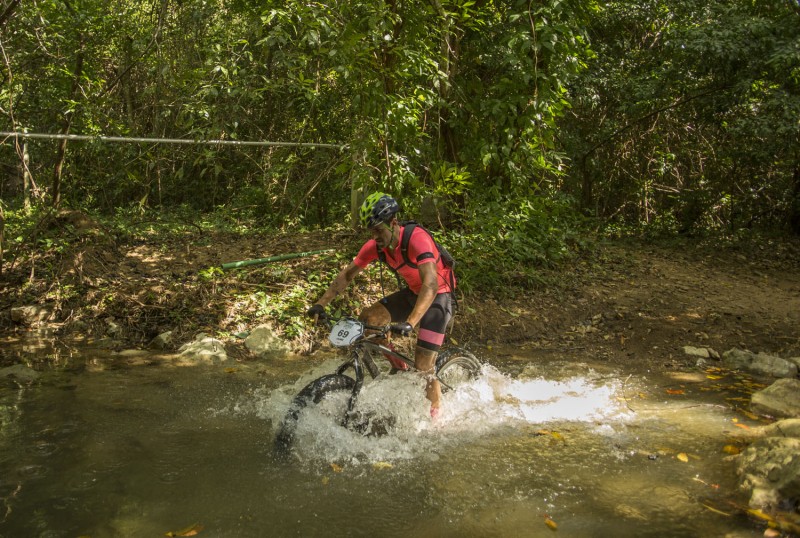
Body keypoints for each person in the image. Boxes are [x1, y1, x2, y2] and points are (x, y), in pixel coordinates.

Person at [307, 192, 456, 418]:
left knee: (424, 365)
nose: (375, 236)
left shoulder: (417, 239)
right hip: (413, 293)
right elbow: (347, 275)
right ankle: (399, 366)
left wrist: (410, 323)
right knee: (368, 321)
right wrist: (320, 303)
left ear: (393, 222)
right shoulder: (375, 246)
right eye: (371, 231)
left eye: (378, 229)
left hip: (439, 296)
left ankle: (436, 417)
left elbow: (431, 284)